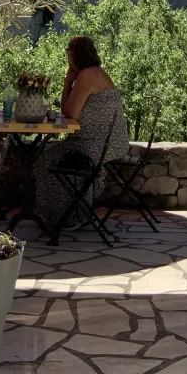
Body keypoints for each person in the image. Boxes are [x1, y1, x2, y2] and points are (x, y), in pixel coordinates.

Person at [36, 36, 129, 229]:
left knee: (47, 157)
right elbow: (69, 113)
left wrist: (66, 82)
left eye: (67, 52)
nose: (66, 56)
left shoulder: (86, 76)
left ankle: (66, 216)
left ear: (74, 55)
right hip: (112, 143)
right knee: (55, 154)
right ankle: (75, 211)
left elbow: (68, 113)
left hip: (92, 145)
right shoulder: (99, 73)